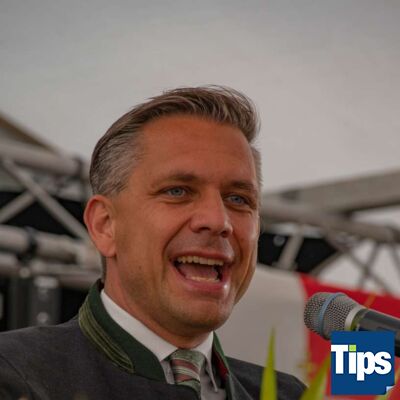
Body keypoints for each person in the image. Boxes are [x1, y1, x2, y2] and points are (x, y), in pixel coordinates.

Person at [0, 86, 305, 399]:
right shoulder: (12, 375)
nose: (218, 220)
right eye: (177, 191)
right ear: (105, 225)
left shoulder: (289, 395)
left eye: (238, 199)